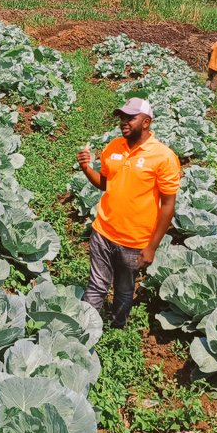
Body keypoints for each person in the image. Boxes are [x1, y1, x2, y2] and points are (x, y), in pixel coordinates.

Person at [75, 97, 180, 328]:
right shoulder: (113, 147)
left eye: (131, 117)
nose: (124, 122)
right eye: (122, 117)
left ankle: (117, 328)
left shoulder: (163, 157)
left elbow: (168, 205)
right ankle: (83, 331)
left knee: (123, 290)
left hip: (134, 242)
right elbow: (104, 183)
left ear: (146, 122)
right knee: (96, 286)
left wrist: (151, 247)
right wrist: (85, 168)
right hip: (103, 231)